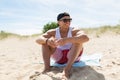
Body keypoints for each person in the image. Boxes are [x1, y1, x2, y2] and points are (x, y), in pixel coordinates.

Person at [36, 12, 89, 79]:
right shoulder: (53, 31)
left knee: (78, 41)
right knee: (44, 43)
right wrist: (47, 41)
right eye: (65, 20)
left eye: (69, 20)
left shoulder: (74, 30)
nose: (68, 22)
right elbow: (37, 39)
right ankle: (47, 68)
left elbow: (86, 38)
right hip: (60, 57)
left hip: (73, 57)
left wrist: (66, 40)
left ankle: (66, 70)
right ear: (58, 22)